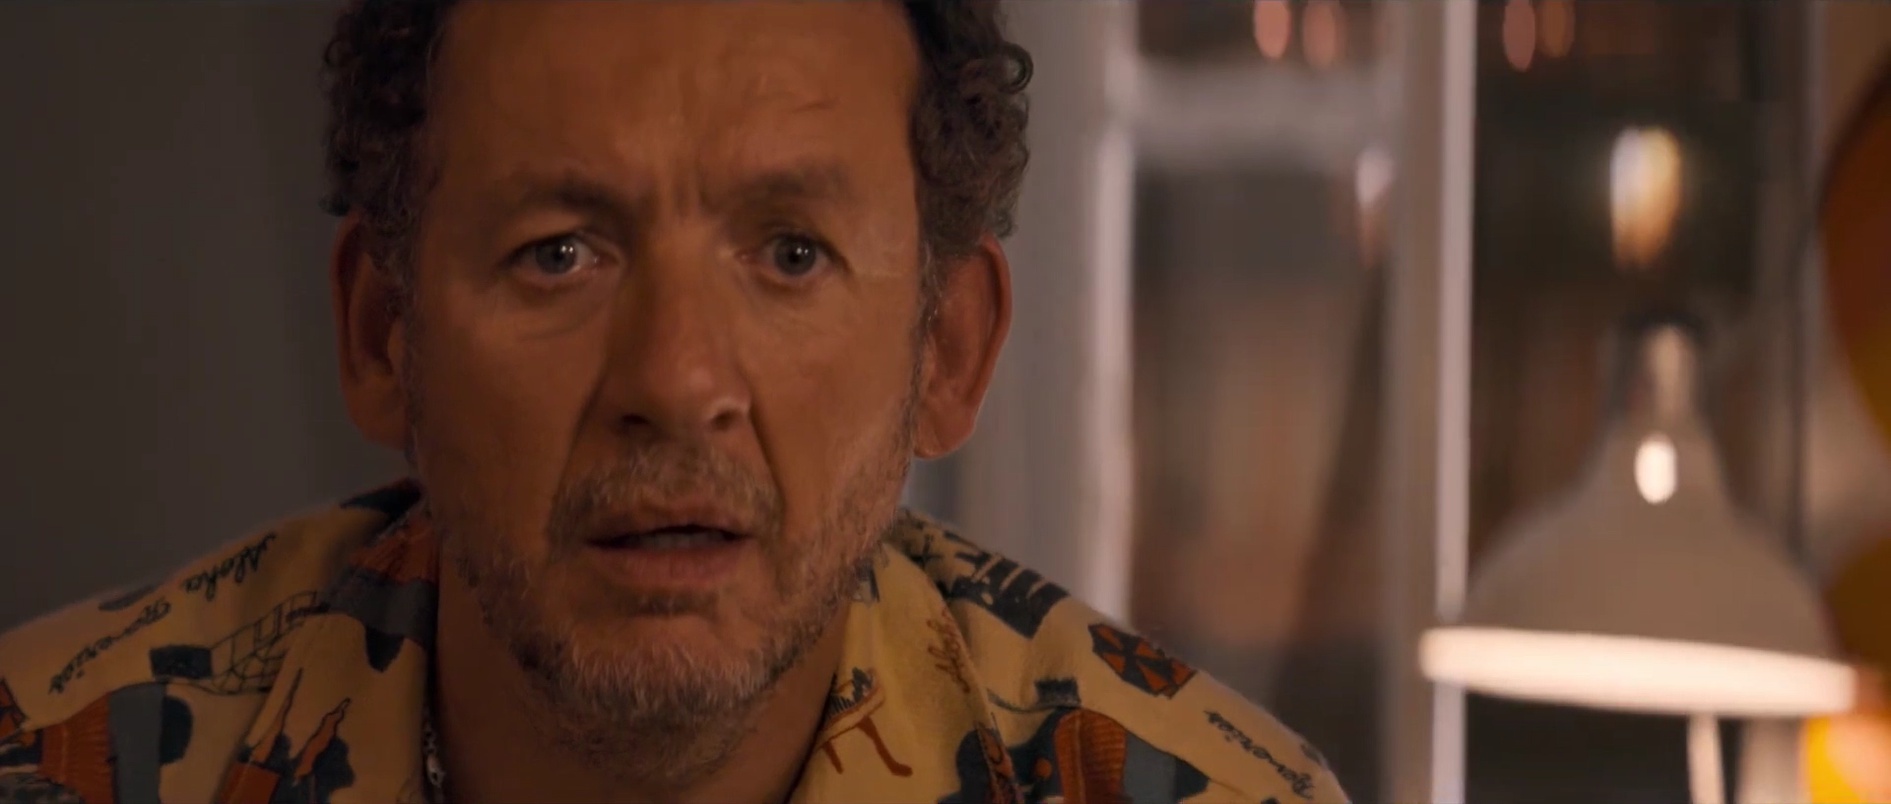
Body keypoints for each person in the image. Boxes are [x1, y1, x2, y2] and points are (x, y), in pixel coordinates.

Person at [0, 2, 1347, 802]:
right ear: (381, 333)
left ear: (946, 351)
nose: (677, 383)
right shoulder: (51, 762)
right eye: (558, 254)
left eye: (792, 254)